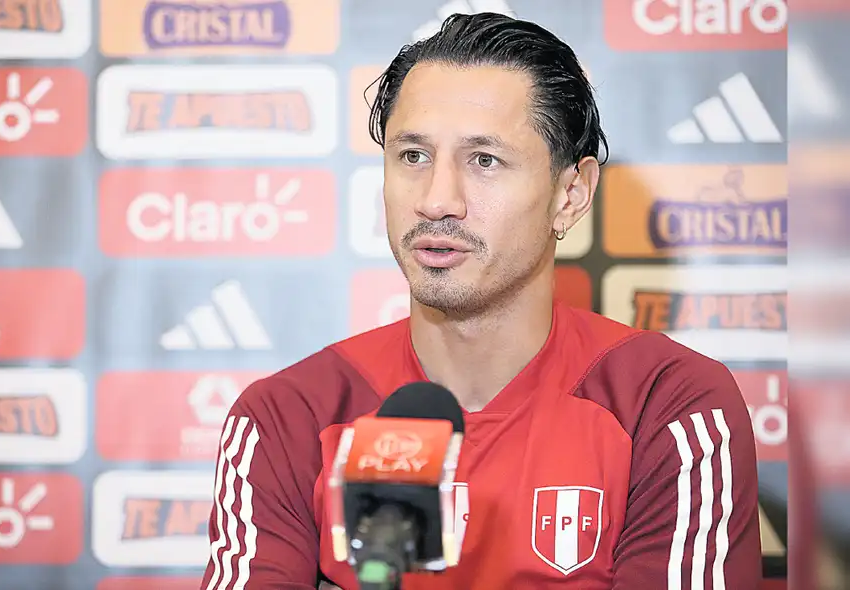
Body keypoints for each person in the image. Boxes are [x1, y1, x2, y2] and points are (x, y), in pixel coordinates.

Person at [201, 12, 762, 590]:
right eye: (413, 156)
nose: (437, 200)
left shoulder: (667, 405)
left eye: (484, 161)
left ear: (570, 196)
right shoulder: (286, 419)